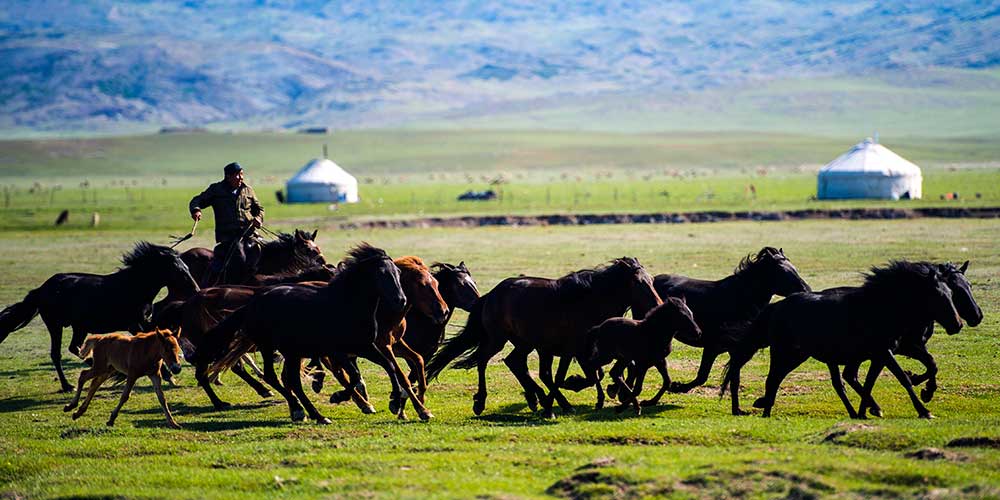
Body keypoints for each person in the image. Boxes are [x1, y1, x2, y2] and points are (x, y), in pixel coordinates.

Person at [189, 162, 264, 286]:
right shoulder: (216, 190)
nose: (241, 177)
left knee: (267, 252)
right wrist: (196, 210)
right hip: (229, 236)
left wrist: (259, 219)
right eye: (237, 175)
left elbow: (259, 209)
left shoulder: (248, 190)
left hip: (250, 234)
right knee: (239, 256)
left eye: (242, 174)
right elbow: (197, 200)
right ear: (228, 176)